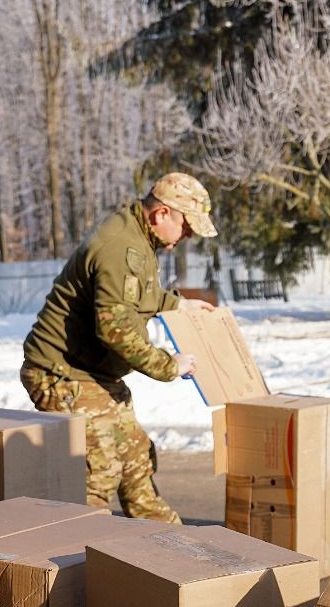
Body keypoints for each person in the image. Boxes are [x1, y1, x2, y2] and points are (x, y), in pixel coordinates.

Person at [19, 172, 219, 522]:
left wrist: (177, 305)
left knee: (135, 457)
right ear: (161, 215)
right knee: (100, 467)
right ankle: (77, 556)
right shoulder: (122, 247)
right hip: (61, 372)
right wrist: (169, 365)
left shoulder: (137, 236)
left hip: (92, 371)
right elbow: (115, 330)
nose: (187, 236)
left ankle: (165, 543)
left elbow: (134, 294)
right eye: (186, 227)